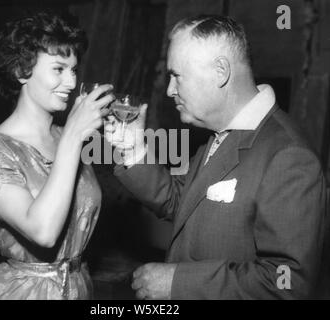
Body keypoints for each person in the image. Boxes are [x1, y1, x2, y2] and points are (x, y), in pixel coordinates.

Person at [105, 15, 327, 299]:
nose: (170, 89)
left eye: (177, 76)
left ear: (220, 71)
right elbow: (179, 200)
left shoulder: (288, 156)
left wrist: (178, 283)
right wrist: (133, 150)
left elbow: (287, 282)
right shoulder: (222, 136)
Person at [0, 11, 114, 299]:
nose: (71, 83)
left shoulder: (67, 137)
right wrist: (74, 135)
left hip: (78, 285)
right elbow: (43, 231)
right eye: (59, 69)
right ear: (23, 71)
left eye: (74, 70)